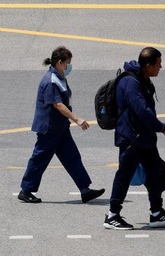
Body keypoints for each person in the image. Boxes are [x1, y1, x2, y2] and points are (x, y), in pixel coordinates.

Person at [104, 47, 165, 230]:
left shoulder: (142, 78)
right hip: (131, 137)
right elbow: (141, 111)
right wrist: (163, 128)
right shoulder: (131, 83)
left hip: (143, 137)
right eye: (158, 64)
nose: (160, 67)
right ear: (148, 65)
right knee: (124, 174)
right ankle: (112, 215)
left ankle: (157, 212)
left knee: (154, 172)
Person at [18, 47, 105, 204]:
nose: (69, 66)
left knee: (72, 157)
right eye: (67, 63)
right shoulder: (50, 81)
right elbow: (58, 105)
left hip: (60, 127)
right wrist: (76, 119)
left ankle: (85, 190)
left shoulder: (59, 76)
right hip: (49, 128)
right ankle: (26, 190)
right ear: (59, 63)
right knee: (40, 158)